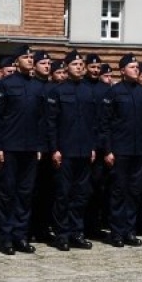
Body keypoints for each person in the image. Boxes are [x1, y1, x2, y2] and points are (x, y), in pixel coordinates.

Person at [0, 47, 45, 255]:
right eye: (26, 57)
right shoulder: (5, 85)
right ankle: (4, 237)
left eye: (32, 58)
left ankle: (19, 235)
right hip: (9, 147)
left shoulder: (37, 87)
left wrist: (40, 146)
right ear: (16, 62)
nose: (30, 60)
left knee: (25, 194)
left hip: (30, 148)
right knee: (7, 194)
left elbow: (42, 119)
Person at [99, 55, 142, 246]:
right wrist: (108, 150)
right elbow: (105, 124)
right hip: (120, 150)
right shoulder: (113, 93)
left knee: (134, 192)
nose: (136, 70)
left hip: (139, 151)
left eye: (137, 67)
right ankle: (116, 232)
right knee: (118, 191)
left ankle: (129, 231)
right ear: (122, 70)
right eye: (132, 67)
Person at [45, 52, 98, 250]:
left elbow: (94, 123)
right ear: (66, 67)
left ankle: (77, 232)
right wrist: (54, 149)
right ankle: (62, 234)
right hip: (65, 151)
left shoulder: (88, 91)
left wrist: (92, 147)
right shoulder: (57, 91)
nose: (78, 67)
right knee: (63, 195)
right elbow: (51, 123)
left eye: (80, 64)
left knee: (81, 195)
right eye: (74, 64)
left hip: (84, 151)